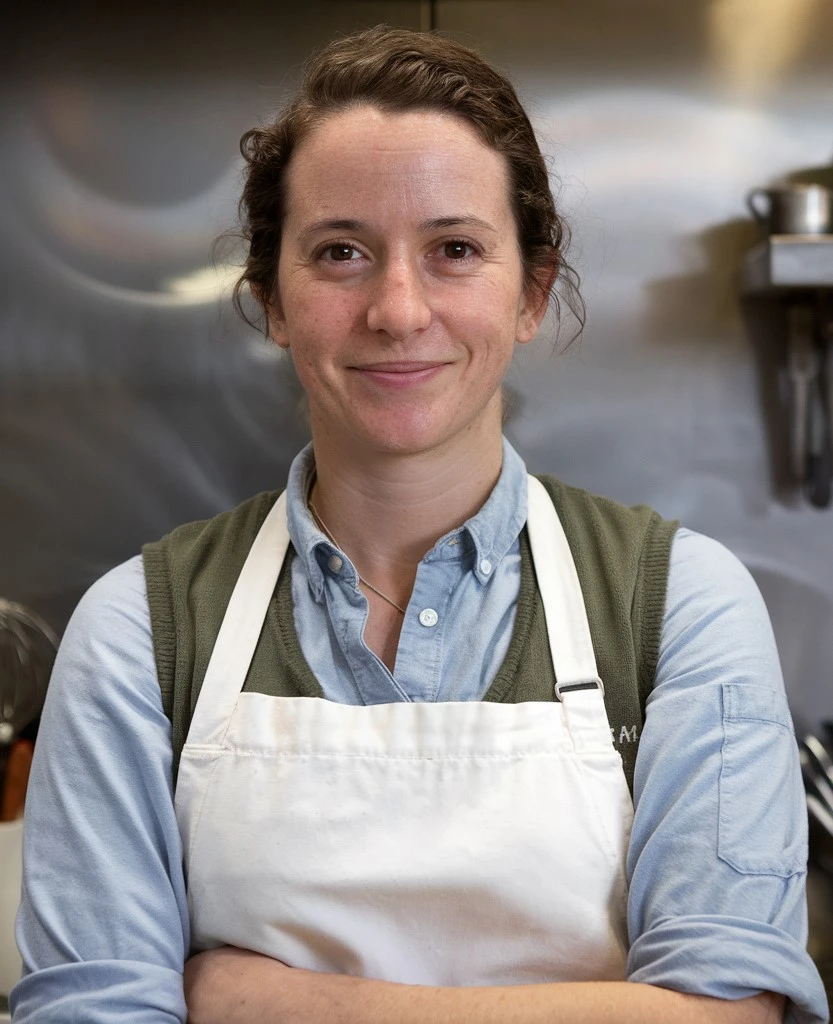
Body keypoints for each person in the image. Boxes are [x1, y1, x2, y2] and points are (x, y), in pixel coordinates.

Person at [11, 24, 828, 1024]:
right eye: (341, 251)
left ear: (528, 290)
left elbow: (729, 1014)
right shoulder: (140, 631)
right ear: (272, 297)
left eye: (453, 249)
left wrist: (263, 999)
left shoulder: (677, 605)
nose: (398, 310)